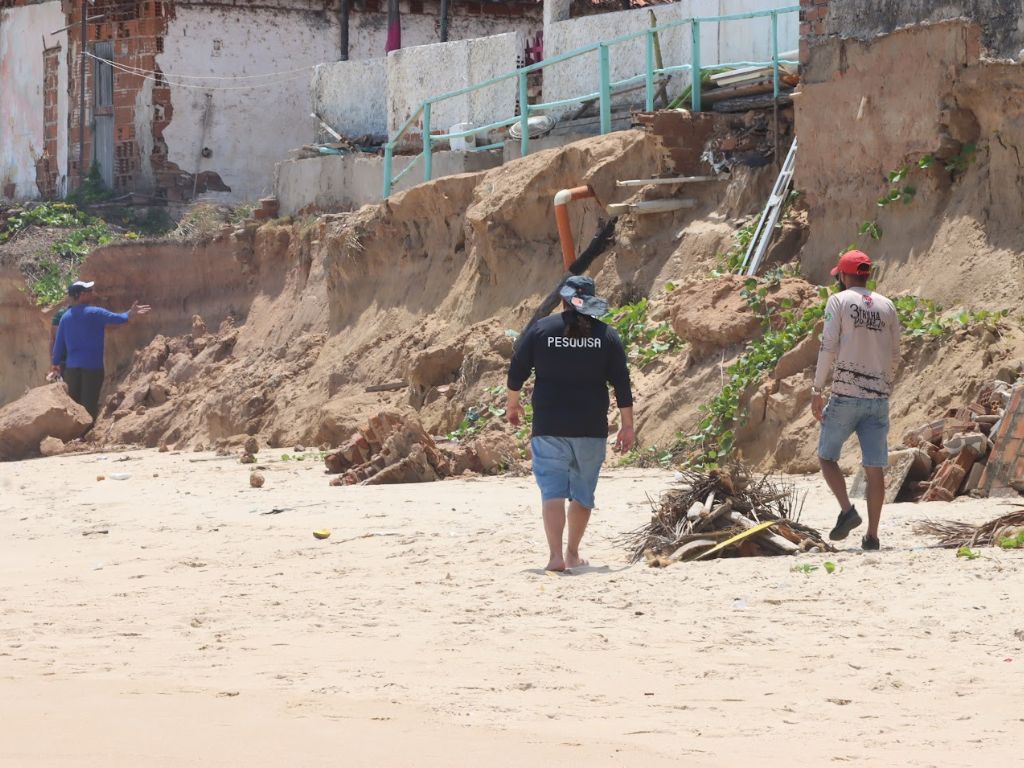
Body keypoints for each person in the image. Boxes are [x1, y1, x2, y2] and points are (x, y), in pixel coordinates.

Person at [506, 275, 634, 572]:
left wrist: (513, 404)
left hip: (549, 426)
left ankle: (555, 556)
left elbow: (517, 370)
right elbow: (622, 385)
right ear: (591, 301)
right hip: (590, 428)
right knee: (583, 494)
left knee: (552, 492)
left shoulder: (542, 329)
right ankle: (573, 553)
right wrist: (627, 425)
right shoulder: (606, 335)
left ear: (563, 300)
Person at [811, 250, 901, 550]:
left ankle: (848, 511)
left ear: (843, 275)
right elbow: (895, 354)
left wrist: (817, 389)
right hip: (878, 398)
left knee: (827, 456)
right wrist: (884, 383)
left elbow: (828, 346)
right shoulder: (887, 305)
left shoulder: (838, 301)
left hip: (846, 394)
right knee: (874, 469)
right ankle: (872, 537)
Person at [50, 280, 151, 421]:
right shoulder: (95, 313)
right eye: (89, 291)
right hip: (92, 367)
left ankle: (75, 430)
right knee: (89, 404)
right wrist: (131, 313)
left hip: (71, 368)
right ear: (80, 295)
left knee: (73, 403)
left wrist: (55, 364)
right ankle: (87, 431)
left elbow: (58, 344)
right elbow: (118, 319)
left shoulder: (65, 318)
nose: (92, 293)